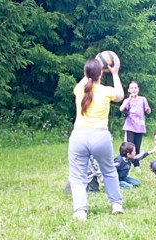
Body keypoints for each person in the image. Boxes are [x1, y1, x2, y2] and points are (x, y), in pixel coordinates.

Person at [68, 57, 124, 221]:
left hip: (79, 136)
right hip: (100, 136)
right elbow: (120, 95)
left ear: (85, 73)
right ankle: (116, 204)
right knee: (109, 171)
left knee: (78, 176)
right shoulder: (106, 91)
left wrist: (95, 63)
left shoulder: (79, 89)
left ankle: (80, 211)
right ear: (101, 74)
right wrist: (115, 73)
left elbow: (87, 76)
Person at [119, 81, 151, 170]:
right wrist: (129, 99)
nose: (134, 89)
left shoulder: (143, 99)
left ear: (138, 89)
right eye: (132, 88)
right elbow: (121, 109)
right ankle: (127, 165)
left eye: (135, 88)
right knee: (129, 147)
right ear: (129, 90)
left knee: (137, 147)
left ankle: (137, 165)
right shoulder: (127, 100)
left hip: (140, 127)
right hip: (130, 126)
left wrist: (148, 110)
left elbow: (148, 110)